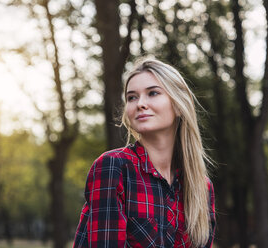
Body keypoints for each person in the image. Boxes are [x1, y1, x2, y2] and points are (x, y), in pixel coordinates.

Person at [73, 58, 216, 248]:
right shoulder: (114, 167)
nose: (140, 103)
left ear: (179, 105)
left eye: (153, 93)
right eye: (132, 97)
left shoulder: (201, 187)